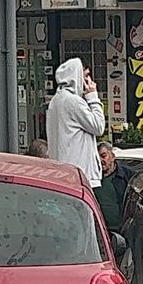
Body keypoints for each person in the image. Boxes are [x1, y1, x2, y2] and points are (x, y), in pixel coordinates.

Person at [47, 57, 105, 187]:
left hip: (64, 170)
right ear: (76, 76)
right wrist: (93, 97)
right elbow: (98, 126)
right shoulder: (73, 101)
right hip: (80, 173)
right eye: (85, 76)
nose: (89, 81)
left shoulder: (55, 101)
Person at [93, 142, 135, 232]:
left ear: (112, 156)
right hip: (100, 232)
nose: (100, 160)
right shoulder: (91, 178)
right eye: (97, 157)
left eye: (103, 156)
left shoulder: (128, 176)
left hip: (123, 232)